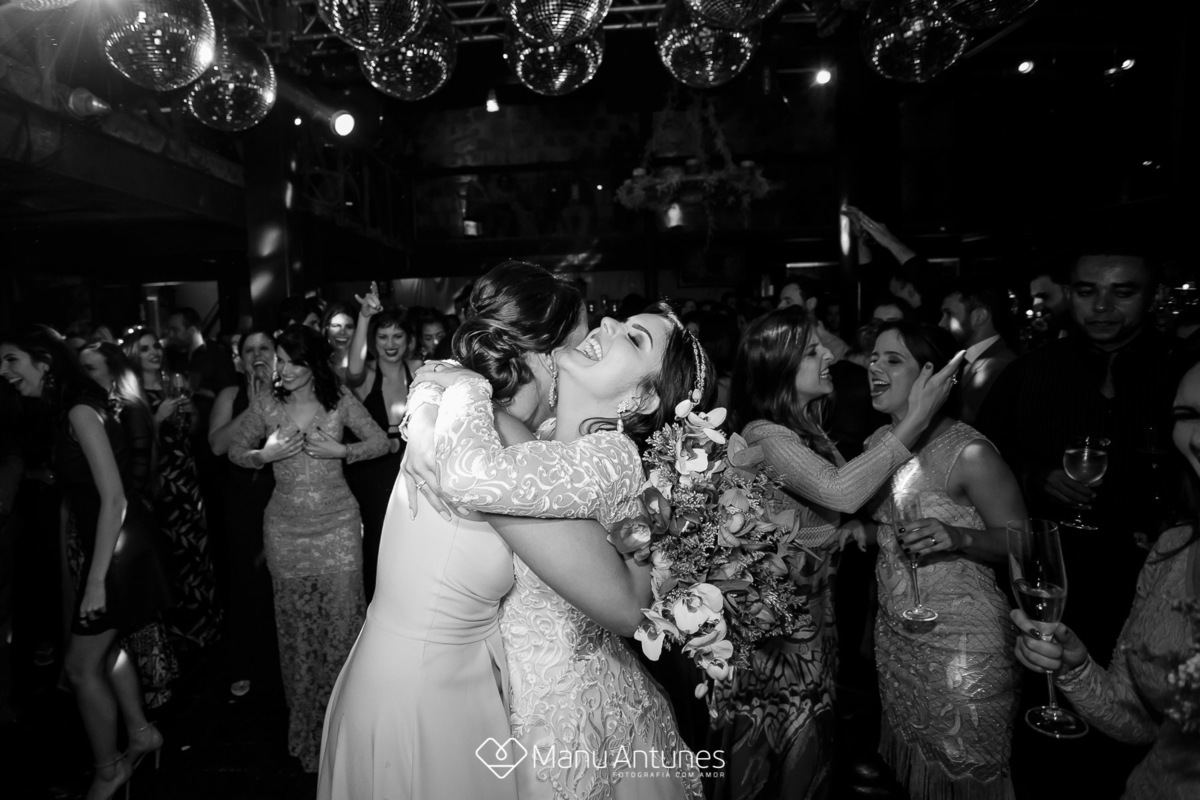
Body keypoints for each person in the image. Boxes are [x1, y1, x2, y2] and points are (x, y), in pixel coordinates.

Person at [318, 263, 703, 800]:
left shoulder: (599, 455)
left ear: (641, 399)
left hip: (540, 703)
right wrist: (436, 396)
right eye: (602, 325)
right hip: (446, 685)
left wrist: (454, 386)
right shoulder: (532, 435)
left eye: (632, 337)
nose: (607, 326)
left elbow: (474, 474)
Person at [714, 307, 960, 800]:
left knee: (810, 741)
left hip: (811, 620)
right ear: (778, 367)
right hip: (777, 636)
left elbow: (838, 503)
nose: (829, 356)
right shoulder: (767, 435)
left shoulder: (807, 429)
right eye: (812, 352)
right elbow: (841, 492)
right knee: (778, 748)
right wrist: (916, 419)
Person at [1011, 357, 1200, 800]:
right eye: (1188, 415)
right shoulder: (1173, 550)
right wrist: (1074, 668)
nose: (1198, 437)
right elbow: (1139, 717)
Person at [1, 326, 170, 800]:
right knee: (107, 651)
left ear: (44, 362)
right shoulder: (67, 411)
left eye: (11, 360)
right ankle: (140, 734)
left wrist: (95, 582)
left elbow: (115, 499)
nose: (3, 372)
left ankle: (109, 769)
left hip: (119, 549)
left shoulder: (79, 410)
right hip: (114, 546)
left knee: (79, 668)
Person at [862, 321, 1026, 800]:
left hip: (964, 645)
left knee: (965, 769)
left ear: (932, 377)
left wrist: (959, 536)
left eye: (893, 359)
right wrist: (860, 531)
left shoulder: (970, 453)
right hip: (898, 637)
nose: (874, 367)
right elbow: (889, 531)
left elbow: (1024, 543)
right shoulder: (877, 444)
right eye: (873, 356)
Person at [228, 324, 388, 772]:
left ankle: (351, 738)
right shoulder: (267, 404)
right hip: (286, 533)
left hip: (337, 529)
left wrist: (342, 451)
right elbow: (234, 450)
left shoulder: (338, 399)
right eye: (280, 360)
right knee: (297, 637)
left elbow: (380, 441)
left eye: (292, 360)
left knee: (344, 631)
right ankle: (310, 736)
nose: (283, 368)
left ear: (312, 362)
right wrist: (264, 455)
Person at [78, 342, 178, 709]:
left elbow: (135, 477)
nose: (83, 376)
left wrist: (116, 503)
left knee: (136, 618)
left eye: (91, 368)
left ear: (113, 371)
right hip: (118, 518)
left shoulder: (126, 408)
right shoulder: (103, 408)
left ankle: (156, 690)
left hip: (126, 521)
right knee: (127, 623)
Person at [125, 328, 222, 650]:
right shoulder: (132, 394)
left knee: (199, 548)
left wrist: (191, 414)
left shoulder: (172, 382)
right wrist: (157, 417)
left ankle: (207, 624)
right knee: (174, 552)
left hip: (187, 475)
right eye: (144, 348)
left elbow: (189, 431)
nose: (154, 352)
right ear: (133, 356)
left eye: (155, 346)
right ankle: (181, 631)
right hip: (161, 483)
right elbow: (131, 444)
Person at [207, 329, 278, 698]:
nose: (257, 355)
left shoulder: (291, 389)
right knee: (246, 579)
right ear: (239, 359)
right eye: (249, 350)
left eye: (264, 348)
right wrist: (257, 404)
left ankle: (282, 659)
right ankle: (245, 661)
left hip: (283, 494)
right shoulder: (230, 395)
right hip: (241, 498)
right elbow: (217, 445)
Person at [343, 288, 423, 601]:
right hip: (373, 473)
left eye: (397, 336)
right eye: (383, 337)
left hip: (412, 467)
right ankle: (378, 608)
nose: (390, 344)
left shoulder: (419, 369)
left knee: (413, 541)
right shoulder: (365, 376)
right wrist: (364, 317)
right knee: (378, 541)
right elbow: (352, 370)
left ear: (408, 340)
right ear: (373, 341)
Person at [937, 279, 1019, 424]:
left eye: (949, 314)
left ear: (979, 316)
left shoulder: (1002, 367)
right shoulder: (961, 360)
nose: (941, 323)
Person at [322, 304, 356, 384]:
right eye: (336, 326)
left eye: (349, 327)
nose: (342, 332)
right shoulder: (319, 364)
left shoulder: (366, 365)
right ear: (326, 329)